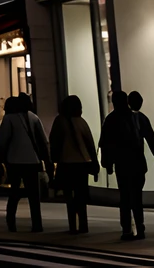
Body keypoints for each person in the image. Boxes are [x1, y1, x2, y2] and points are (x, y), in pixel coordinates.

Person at [100, 89, 154, 240]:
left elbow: (105, 143)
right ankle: (140, 226)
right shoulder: (138, 117)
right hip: (138, 163)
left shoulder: (111, 119)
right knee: (136, 197)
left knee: (125, 197)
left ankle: (126, 229)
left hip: (122, 164)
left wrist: (107, 163)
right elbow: (151, 138)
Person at [0, 94, 48, 232]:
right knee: (34, 195)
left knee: (14, 192)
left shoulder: (9, 119)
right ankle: (37, 224)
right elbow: (43, 141)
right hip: (33, 160)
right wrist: (47, 160)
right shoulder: (34, 117)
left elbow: (2, 141)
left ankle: (11, 222)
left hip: (14, 160)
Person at [49, 94, 98, 234]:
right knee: (81, 196)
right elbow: (90, 144)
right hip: (82, 164)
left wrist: (53, 161)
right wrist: (94, 163)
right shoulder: (82, 122)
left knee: (69, 196)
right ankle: (83, 224)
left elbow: (54, 142)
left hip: (66, 163)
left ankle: (72, 225)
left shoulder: (59, 121)